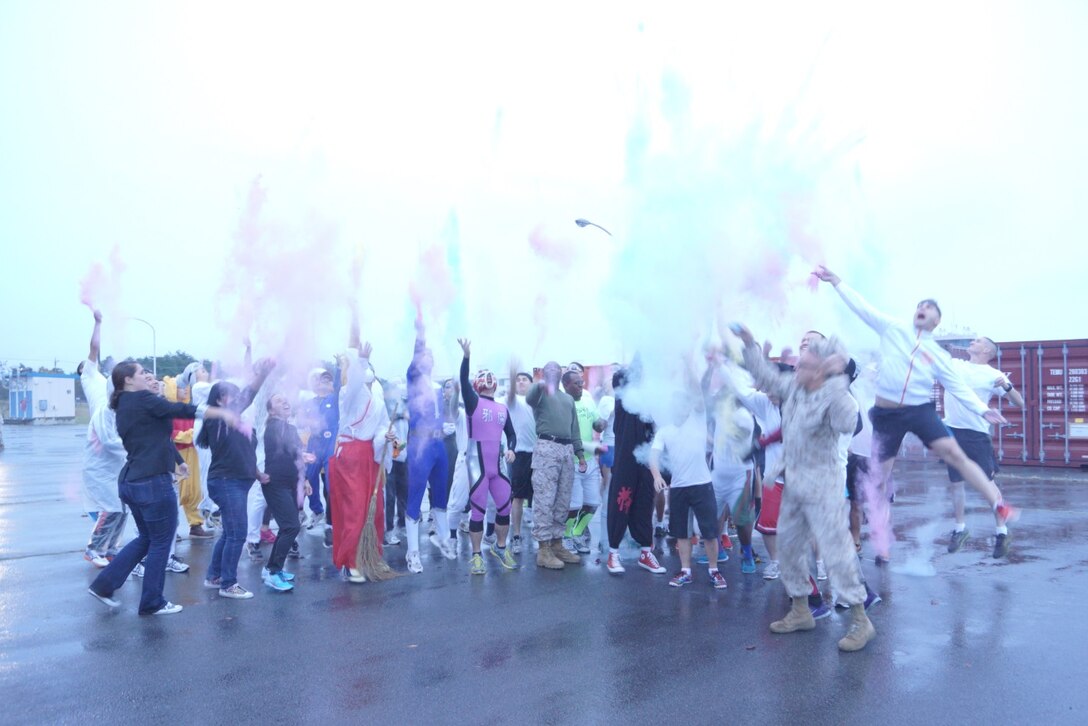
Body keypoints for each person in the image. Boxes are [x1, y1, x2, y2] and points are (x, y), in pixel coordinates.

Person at [813, 265, 1015, 564]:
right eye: (920, 305)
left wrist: (983, 410)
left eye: (929, 307)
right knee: (880, 480)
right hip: (887, 415)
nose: (923, 308)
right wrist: (836, 282)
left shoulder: (939, 355)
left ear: (937, 321)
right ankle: (882, 542)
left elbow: (957, 386)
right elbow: (862, 307)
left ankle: (998, 504)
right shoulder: (893, 328)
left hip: (919, 411)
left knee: (955, 454)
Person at [736, 324, 876, 652]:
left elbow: (848, 422)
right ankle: (801, 610)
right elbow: (766, 376)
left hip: (824, 485)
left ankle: (861, 621)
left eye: (805, 366)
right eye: (799, 365)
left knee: (836, 554)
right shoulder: (795, 389)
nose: (797, 369)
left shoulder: (836, 397)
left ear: (821, 371)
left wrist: (836, 383)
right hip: (795, 481)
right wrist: (749, 343)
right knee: (789, 548)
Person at [88, 360, 238, 615]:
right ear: (128, 380)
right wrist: (219, 412)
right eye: (142, 373)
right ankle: (152, 602)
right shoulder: (142, 399)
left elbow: (157, 438)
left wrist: (178, 461)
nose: (148, 376)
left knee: (147, 538)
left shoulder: (124, 403)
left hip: (132, 481)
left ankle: (104, 585)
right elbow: (180, 408)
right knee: (160, 542)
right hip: (151, 482)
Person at [199, 357, 274, 600]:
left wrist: (257, 474)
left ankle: (214, 576)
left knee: (229, 533)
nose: (237, 398)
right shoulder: (217, 418)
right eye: (232, 395)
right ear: (220, 400)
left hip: (236, 481)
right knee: (237, 534)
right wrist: (262, 374)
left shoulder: (236, 422)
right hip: (226, 481)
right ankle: (228, 583)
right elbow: (249, 395)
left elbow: (244, 452)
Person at [943, 336, 1025, 558]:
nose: (972, 342)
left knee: (987, 483)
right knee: (956, 483)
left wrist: (1007, 387)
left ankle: (1002, 532)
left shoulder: (993, 375)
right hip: (952, 430)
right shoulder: (955, 364)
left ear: (987, 350)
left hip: (976, 433)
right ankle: (959, 529)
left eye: (978, 341)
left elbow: (1019, 402)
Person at [329, 313, 390, 582]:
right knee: (354, 509)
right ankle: (351, 560)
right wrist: (360, 359)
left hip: (370, 456)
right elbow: (353, 381)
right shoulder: (348, 393)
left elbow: (382, 425)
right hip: (351, 456)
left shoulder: (377, 399)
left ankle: (370, 555)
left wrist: (387, 437)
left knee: (374, 509)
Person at [649, 390, 727, 590]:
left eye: (684, 404)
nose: (681, 408)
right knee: (682, 533)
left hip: (702, 485)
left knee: (709, 532)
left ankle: (714, 570)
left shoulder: (698, 419)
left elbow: (699, 392)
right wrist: (657, 476)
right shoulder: (664, 430)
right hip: (678, 488)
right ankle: (685, 571)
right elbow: (653, 456)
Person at [457, 338, 519, 574]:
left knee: (505, 507)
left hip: (498, 464)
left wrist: (511, 448)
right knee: (478, 511)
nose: (490, 382)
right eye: (486, 379)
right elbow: (463, 380)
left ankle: (500, 547)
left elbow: (511, 434)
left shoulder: (502, 408)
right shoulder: (473, 402)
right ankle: (476, 555)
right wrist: (466, 357)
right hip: (477, 463)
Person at [603, 363, 667, 575]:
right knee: (620, 504)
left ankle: (646, 552)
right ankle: (613, 553)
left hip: (645, 461)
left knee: (645, 504)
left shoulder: (648, 401)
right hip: (625, 461)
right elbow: (620, 377)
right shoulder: (623, 399)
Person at [404, 314, 456, 573]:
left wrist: (443, 426)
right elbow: (417, 356)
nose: (428, 359)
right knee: (415, 496)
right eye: (425, 356)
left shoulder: (436, 387)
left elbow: (434, 415)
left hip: (438, 445)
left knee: (441, 494)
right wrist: (421, 334)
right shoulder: (414, 380)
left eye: (431, 356)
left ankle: (444, 539)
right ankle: (413, 552)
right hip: (420, 446)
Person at [79, 310, 128, 567]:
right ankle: (94, 548)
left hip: (115, 459)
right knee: (111, 506)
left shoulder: (108, 382)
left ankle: (110, 548)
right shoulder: (89, 377)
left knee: (122, 507)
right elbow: (94, 349)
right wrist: (97, 323)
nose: (90, 363)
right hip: (100, 449)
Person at [527, 361, 586, 569]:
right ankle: (543, 549)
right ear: (544, 374)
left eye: (556, 369)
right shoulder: (540, 393)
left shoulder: (568, 399)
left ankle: (557, 544)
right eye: (549, 369)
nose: (553, 372)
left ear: (561, 374)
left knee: (563, 500)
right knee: (545, 499)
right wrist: (541, 383)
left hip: (567, 449)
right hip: (547, 447)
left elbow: (575, 429)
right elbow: (529, 398)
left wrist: (580, 454)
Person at [260, 393, 314, 591]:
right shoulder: (273, 427)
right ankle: (273, 572)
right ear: (271, 410)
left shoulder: (290, 428)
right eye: (278, 400)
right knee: (291, 526)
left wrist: (305, 479)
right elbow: (289, 447)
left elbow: (297, 457)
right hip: (275, 483)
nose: (285, 401)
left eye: (286, 399)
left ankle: (271, 568)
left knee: (286, 527)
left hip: (291, 483)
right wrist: (301, 453)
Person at [563, 367, 605, 554]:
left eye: (582, 383)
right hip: (571, 462)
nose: (581, 386)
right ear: (566, 385)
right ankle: (566, 537)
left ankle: (577, 533)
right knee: (573, 505)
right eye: (577, 384)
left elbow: (597, 424)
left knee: (593, 503)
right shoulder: (563, 404)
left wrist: (602, 423)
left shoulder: (588, 402)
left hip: (590, 462)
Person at [302, 366, 340, 539]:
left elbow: (339, 386)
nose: (323, 382)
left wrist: (338, 368)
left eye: (327, 379)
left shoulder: (335, 398)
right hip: (314, 444)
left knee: (331, 483)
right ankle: (317, 511)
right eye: (320, 379)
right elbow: (301, 422)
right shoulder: (309, 403)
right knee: (309, 478)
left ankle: (333, 519)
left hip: (331, 443)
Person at [506, 369, 537, 554]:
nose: (521, 382)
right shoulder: (512, 401)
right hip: (518, 454)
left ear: (531, 383)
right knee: (517, 496)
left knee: (540, 495)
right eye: (518, 380)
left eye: (524, 379)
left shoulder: (537, 401)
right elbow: (511, 392)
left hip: (538, 453)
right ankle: (516, 536)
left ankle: (541, 534)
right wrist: (512, 375)